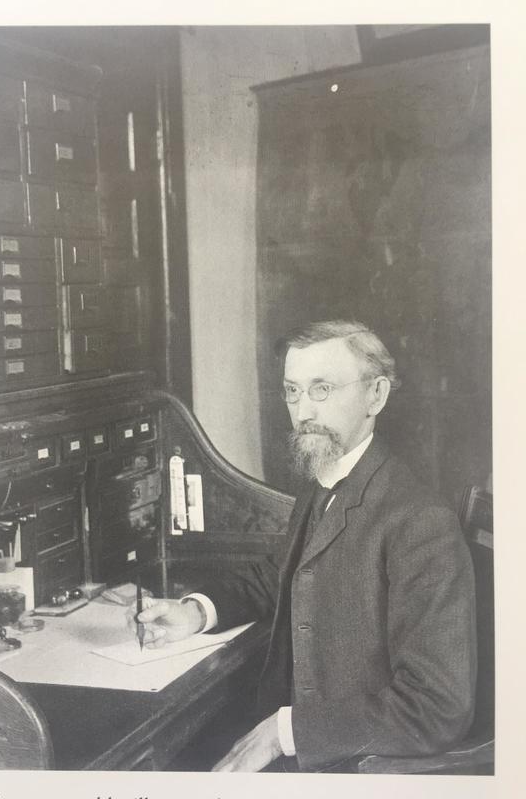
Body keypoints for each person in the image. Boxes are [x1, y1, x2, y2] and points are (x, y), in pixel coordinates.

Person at [128, 320, 477, 772]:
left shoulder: (419, 521)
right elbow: (284, 576)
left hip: (352, 764)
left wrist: (283, 733)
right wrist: (196, 611)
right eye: (292, 392)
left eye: (322, 389)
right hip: (305, 739)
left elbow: (438, 708)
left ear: (376, 395)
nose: (303, 412)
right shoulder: (325, 483)